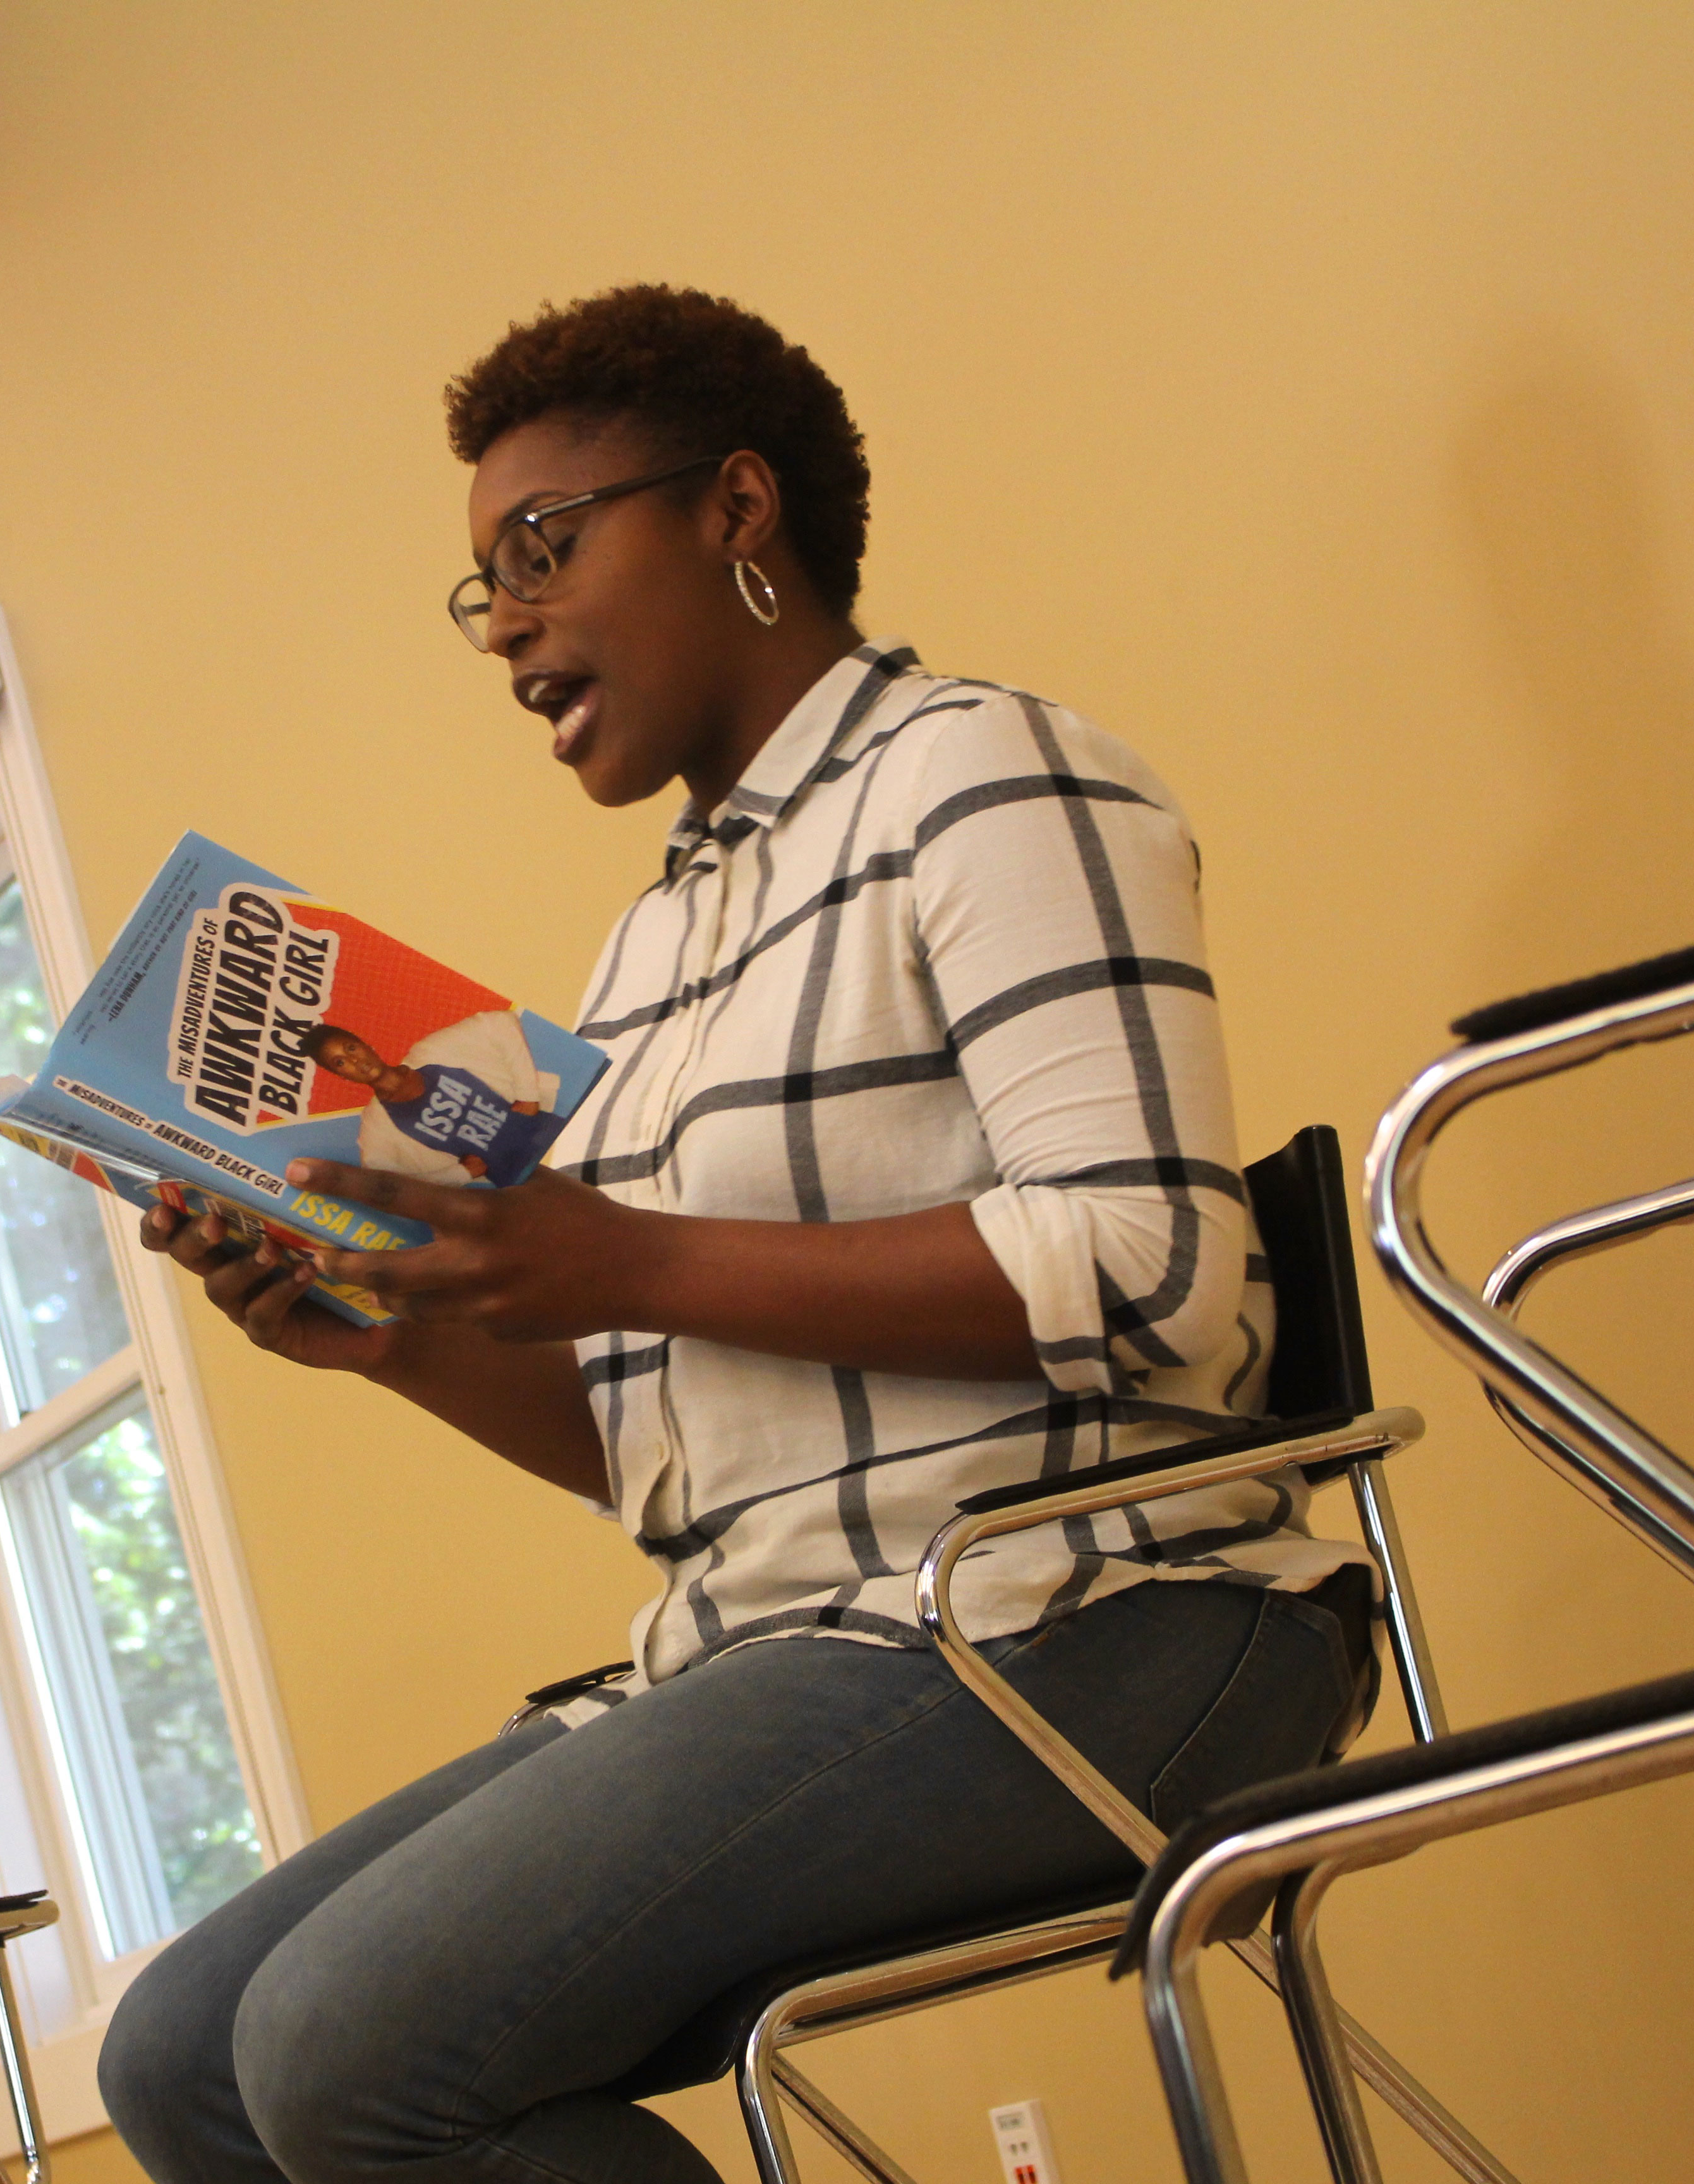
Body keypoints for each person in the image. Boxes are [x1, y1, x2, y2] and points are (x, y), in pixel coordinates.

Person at [100, 284, 1372, 2184]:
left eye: (543, 547)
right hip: (780, 1634)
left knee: (342, 2051)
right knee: (180, 2060)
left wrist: (624, 1261)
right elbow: (662, 1447)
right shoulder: (656, 946)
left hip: (1099, 1607)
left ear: (737, 509)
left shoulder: (989, 774)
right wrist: (402, 1338)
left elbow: (1158, 1266)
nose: (509, 622)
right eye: (483, 587)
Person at [302, 1015, 560, 1187]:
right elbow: (386, 1184)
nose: (355, 1062)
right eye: (340, 1062)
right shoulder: (377, 1125)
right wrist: (461, 1174)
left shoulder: (431, 1052)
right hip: (519, 1182)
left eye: (351, 1049)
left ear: (367, 1044)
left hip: (548, 1132)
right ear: (341, 1076)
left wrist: (527, 1096)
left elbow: (500, 1022)